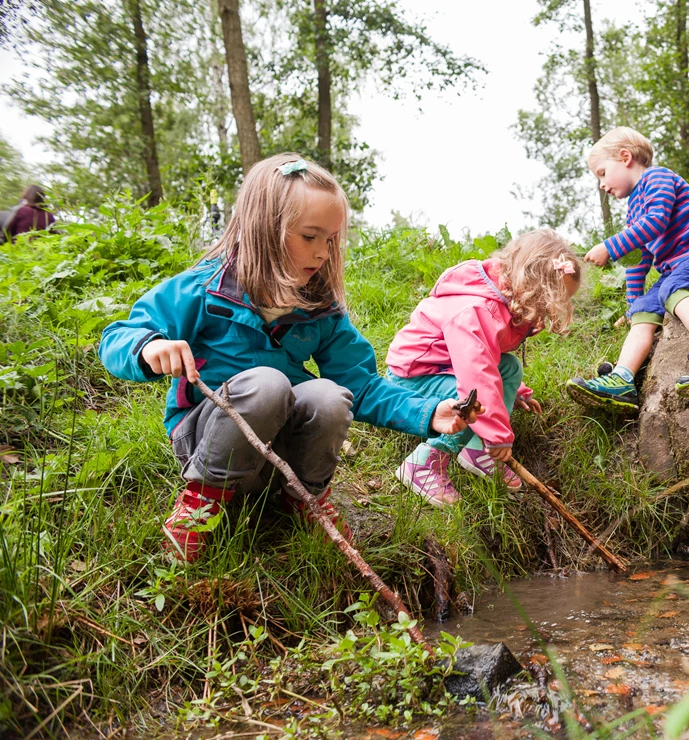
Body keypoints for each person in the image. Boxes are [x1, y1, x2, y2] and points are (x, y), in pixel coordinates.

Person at [98, 154, 476, 562]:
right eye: (310, 236)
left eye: (331, 240)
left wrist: (428, 413)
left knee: (330, 395)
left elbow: (361, 385)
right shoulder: (205, 289)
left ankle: (303, 498)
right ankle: (200, 505)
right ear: (264, 230)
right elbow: (119, 337)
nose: (323, 253)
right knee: (267, 383)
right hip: (206, 443)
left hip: (281, 455)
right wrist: (149, 347)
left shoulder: (319, 307)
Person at [385, 228, 581, 506]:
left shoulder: (506, 300)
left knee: (510, 369)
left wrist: (517, 392)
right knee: (474, 401)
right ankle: (425, 462)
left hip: (445, 366)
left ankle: (478, 452)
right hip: (413, 377)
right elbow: (475, 375)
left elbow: (488, 357)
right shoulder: (477, 310)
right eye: (550, 300)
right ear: (533, 286)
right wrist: (498, 435)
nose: (551, 309)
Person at [566, 127, 689, 414]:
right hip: (677, 269)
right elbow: (640, 260)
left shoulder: (657, 178)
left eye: (602, 173)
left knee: (671, 288)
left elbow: (657, 221)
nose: (601, 184)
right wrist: (632, 306)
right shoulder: (632, 209)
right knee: (645, 310)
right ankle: (623, 379)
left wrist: (610, 247)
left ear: (625, 157)